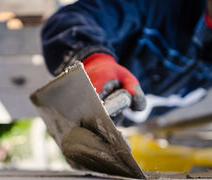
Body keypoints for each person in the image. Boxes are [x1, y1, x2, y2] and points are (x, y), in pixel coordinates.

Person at [41, 0, 212, 123]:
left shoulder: (202, 81)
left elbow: (147, 110)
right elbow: (70, 20)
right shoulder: (159, 6)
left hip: (113, 120)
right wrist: (93, 59)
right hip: (72, 92)